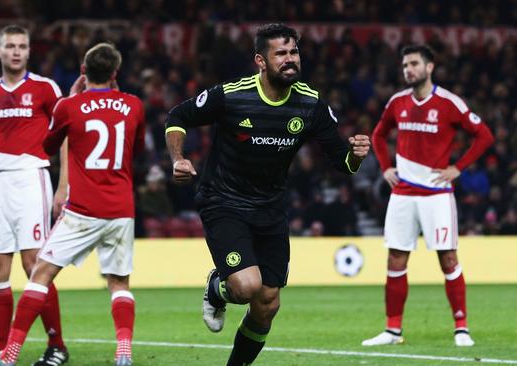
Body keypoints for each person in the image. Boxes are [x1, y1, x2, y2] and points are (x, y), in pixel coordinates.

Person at [165, 23, 370, 366]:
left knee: (267, 304)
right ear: (261, 60)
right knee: (246, 287)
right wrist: (178, 158)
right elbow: (178, 115)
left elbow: (343, 163)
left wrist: (357, 156)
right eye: (281, 54)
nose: (290, 60)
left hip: (270, 208)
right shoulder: (232, 95)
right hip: (224, 201)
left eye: (294, 52)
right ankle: (218, 286)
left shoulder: (311, 104)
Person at [0, 42, 145, 366]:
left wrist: (70, 101)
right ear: (115, 73)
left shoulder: (69, 107)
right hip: (121, 209)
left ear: (83, 72)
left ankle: (9, 355)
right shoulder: (134, 105)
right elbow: (134, 149)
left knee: (40, 274)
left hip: (82, 210)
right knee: (119, 282)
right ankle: (124, 349)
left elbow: (48, 146)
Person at [363, 44, 494, 347]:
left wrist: (458, 168)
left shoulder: (449, 103)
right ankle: (392, 330)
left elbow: (484, 135)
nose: (407, 69)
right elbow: (378, 134)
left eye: (413, 64)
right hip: (403, 193)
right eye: (405, 65)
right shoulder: (397, 102)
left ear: (429, 67)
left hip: (436, 193)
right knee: (396, 258)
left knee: (448, 258)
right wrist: (385, 168)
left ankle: (461, 327)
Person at [0, 25, 67, 366]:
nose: (16, 51)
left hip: (31, 177)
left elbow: (66, 137)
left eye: (22, 45)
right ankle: (2, 350)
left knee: (33, 263)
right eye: (10, 46)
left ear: (28, 51)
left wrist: (64, 185)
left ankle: (56, 345)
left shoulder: (45, 88)